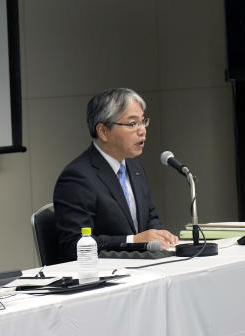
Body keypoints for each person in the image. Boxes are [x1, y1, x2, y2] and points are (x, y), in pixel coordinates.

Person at [53, 88, 177, 260]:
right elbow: (74, 244)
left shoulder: (136, 169)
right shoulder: (77, 178)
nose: (142, 131)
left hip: (140, 268)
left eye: (143, 122)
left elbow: (150, 217)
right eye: (132, 124)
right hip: (103, 277)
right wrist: (133, 240)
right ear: (103, 131)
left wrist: (160, 235)